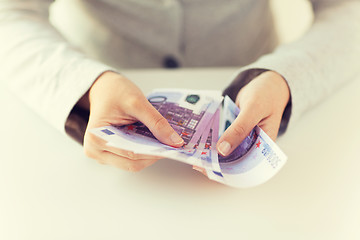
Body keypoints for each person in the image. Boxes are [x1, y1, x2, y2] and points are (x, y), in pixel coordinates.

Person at [0, 0, 359, 172]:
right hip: (101, 80)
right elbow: (11, 14)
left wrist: (285, 77)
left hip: (257, 82)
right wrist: (83, 86)